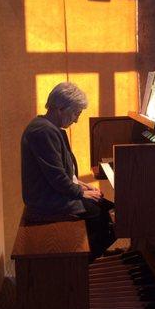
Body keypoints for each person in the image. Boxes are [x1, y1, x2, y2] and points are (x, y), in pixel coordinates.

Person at [20, 82, 115, 259]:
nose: (77, 119)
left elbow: (64, 171)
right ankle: (81, 265)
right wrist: (79, 192)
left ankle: (95, 258)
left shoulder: (48, 127)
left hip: (52, 192)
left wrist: (83, 185)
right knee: (101, 216)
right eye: (76, 113)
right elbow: (56, 177)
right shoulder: (43, 131)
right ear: (61, 108)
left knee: (109, 207)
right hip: (46, 200)